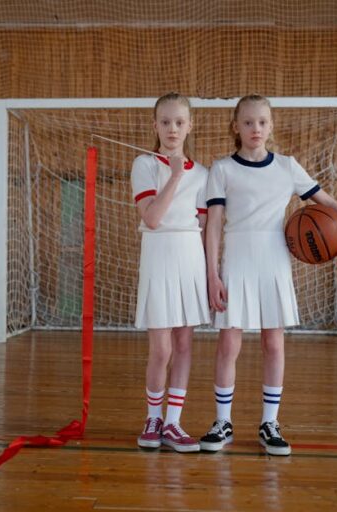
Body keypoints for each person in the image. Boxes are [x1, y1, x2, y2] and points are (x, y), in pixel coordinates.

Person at [199, 94, 337, 455]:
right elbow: (213, 226)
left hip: (275, 259)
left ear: (271, 126)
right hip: (237, 258)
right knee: (229, 344)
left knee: (274, 343)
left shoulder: (287, 166)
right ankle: (222, 422)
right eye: (247, 122)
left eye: (262, 122)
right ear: (236, 126)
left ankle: (269, 423)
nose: (255, 128)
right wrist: (212, 274)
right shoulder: (222, 169)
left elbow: (328, 203)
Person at [131, 93, 210, 453]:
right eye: (165, 122)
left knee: (183, 345)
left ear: (189, 126)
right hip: (159, 255)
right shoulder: (144, 165)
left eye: (179, 122)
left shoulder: (204, 174)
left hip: (189, 257)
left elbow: (206, 226)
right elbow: (151, 218)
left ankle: (174, 423)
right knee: (161, 349)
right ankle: (152, 418)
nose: (172, 129)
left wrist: (212, 274)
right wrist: (175, 177)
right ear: (155, 125)